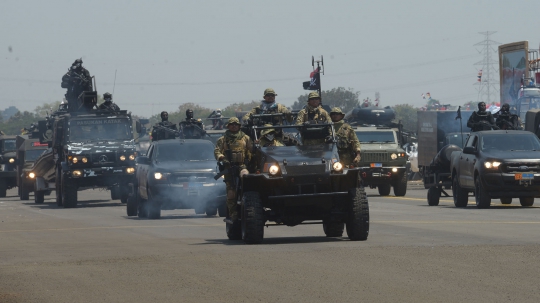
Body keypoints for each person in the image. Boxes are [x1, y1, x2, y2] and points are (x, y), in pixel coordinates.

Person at [214, 117, 252, 224]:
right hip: (229, 168)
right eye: (232, 124)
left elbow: (252, 150)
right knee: (231, 193)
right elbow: (217, 151)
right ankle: (233, 214)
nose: (234, 126)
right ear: (228, 126)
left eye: (236, 124)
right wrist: (221, 157)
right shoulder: (223, 139)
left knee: (246, 177)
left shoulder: (245, 138)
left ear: (239, 126)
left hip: (242, 166)